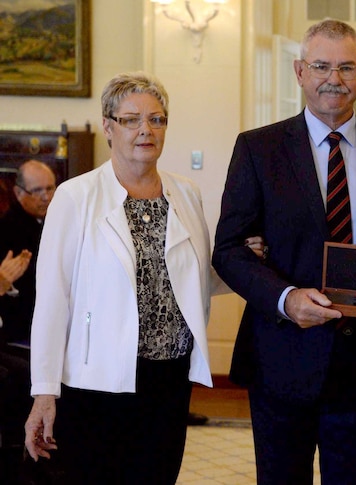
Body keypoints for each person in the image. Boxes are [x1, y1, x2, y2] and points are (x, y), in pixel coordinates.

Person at [212, 19, 356, 485]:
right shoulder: (258, 148)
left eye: (345, 67)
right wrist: (286, 297)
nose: (333, 78)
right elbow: (229, 249)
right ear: (299, 71)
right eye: (320, 66)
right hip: (280, 355)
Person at [22, 71, 224, 484]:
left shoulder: (186, 192)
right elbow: (52, 300)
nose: (145, 130)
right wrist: (44, 391)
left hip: (168, 377)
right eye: (131, 119)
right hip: (98, 380)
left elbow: (196, 278)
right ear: (109, 127)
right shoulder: (75, 196)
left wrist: (248, 262)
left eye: (156, 119)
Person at [0, 160, 56, 349]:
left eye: (50, 188)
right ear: (18, 193)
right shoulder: (7, 228)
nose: (46, 197)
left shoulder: (56, 218)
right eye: (37, 191)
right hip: (23, 328)